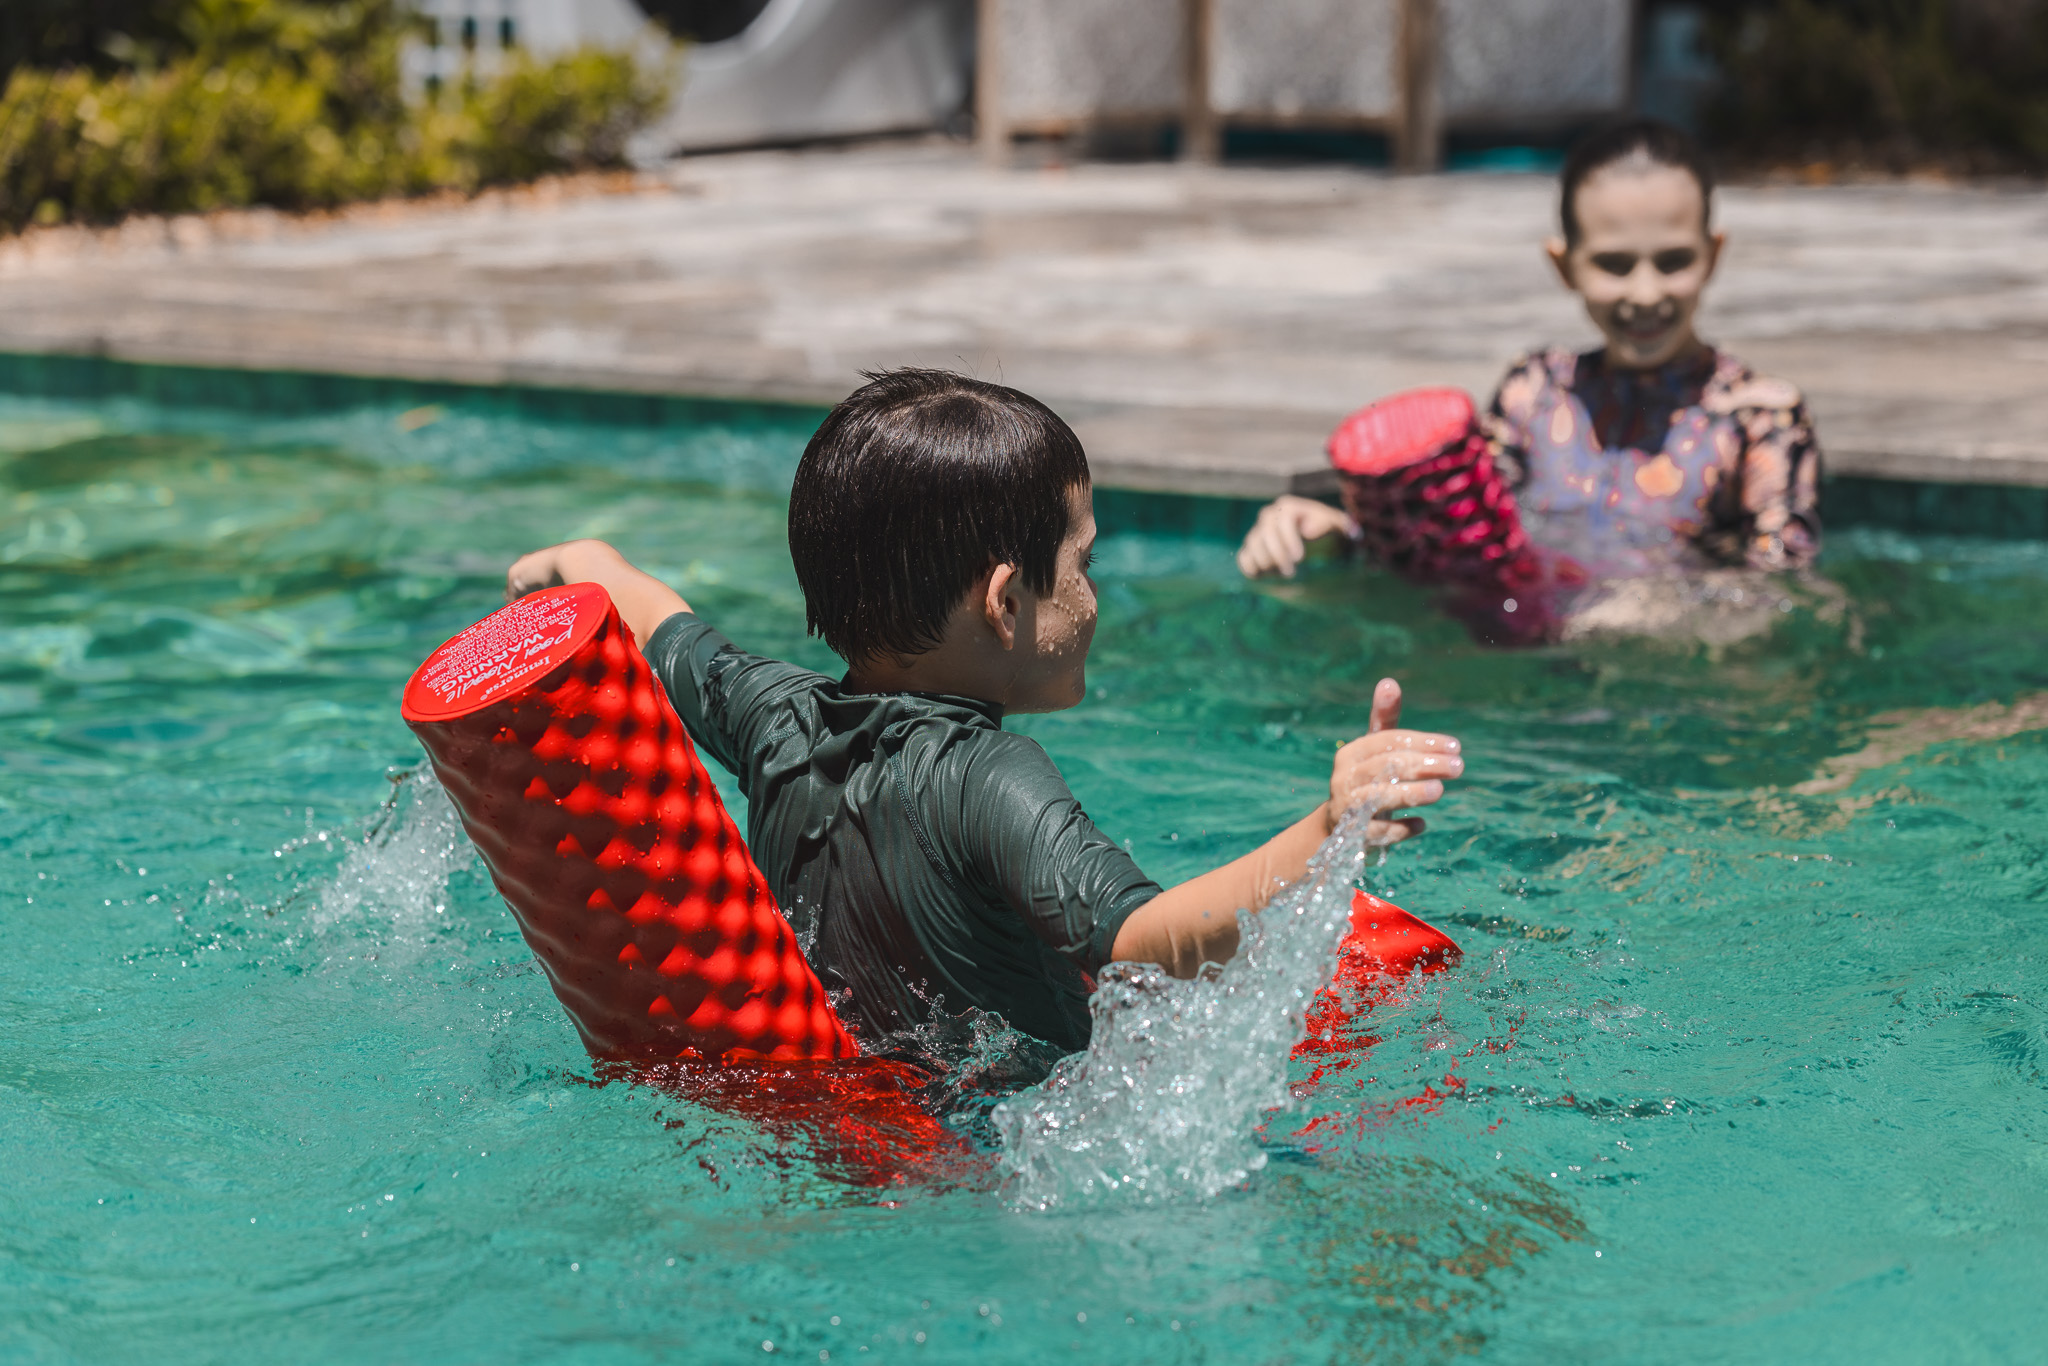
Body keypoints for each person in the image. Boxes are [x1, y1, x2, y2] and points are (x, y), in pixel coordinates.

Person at [505, 370, 1464, 1054]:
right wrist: (1329, 828)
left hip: (852, 1111)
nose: (1097, 594)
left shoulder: (769, 715)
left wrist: (570, 565)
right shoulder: (990, 774)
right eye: (1083, 565)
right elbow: (1141, 944)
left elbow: (650, 615)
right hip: (997, 1144)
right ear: (1005, 602)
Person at [1238, 117, 1823, 588]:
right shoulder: (1536, 392)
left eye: (1673, 262)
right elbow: (1459, 539)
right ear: (1564, 264)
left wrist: (1658, 613)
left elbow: (1780, 598)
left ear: (1712, 255)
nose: (1646, 293)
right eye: (1614, 265)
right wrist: (1338, 539)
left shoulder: (1758, 418)